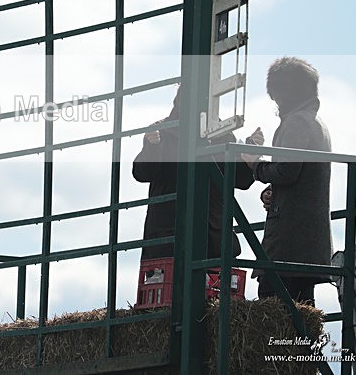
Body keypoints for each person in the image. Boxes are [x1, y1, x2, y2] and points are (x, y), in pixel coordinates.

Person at [133, 87, 261, 260]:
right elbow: (142, 173)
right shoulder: (161, 130)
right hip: (173, 234)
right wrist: (153, 147)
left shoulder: (221, 133)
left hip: (210, 236)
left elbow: (239, 179)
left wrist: (249, 153)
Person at [249, 57, 332, 304]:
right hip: (305, 244)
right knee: (300, 315)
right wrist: (273, 190)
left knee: (273, 307)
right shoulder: (316, 123)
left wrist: (254, 163)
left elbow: (287, 172)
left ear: (286, 92)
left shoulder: (296, 122)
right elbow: (297, 175)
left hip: (288, 243)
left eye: (276, 93)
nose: (275, 100)